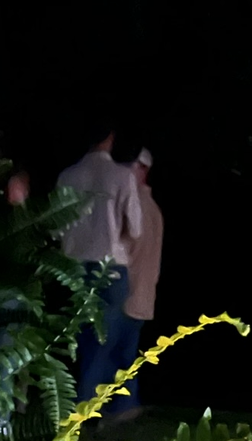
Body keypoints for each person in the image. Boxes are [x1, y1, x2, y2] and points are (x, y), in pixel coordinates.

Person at [56, 127, 142, 404]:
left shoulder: (67, 176)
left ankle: (74, 401)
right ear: (111, 138)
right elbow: (136, 228)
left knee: (75, 338)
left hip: (72, 267)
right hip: (110, 266)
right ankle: (89, 404)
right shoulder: (122, 176)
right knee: (105, 339)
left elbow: (56, 227)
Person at [119, 147, 163, 416]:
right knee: (125, 353)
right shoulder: (154, 209)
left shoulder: (138, 208)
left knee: (118, 352)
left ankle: (121, 406)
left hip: (130, 290)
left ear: (143, 171)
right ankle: (126, 405)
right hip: (143, 293)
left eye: (132, 167)